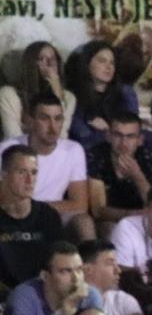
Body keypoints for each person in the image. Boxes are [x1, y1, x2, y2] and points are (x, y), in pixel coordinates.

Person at [0, 92, 93, 233]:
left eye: (58, 119)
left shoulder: (73, 150)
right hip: (15, 214)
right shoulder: (8, 148)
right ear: (30, 120)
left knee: (84, 222)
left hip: (53, 213)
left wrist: (37, 209)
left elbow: (79, 205)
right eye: (45, 118)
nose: (53, 126)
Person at [0, 146, 67, 289]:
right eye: (22, 172)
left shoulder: (48, 216)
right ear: (4, 175)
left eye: (34, 172)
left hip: (43, 293)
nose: (30, 180)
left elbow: (60, 262)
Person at [85, 109, 152, 230]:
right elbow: (98, 210)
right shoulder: (96, 155)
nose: (124, 142)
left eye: (130, 136)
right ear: (108, 136)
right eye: (118, 135)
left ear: (140, 140)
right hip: (109, 222)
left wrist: (138, 176)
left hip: (144, 219)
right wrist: (131, 215)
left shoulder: (147, 156)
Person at [64, 40, 137, 147]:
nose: (109, 67)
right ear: (87, 63)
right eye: (102, 61)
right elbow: (83, 137)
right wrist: (113, 134)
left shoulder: (125, 93)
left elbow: (133, 133)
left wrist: (107, 130)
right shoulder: (74, 96)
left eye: (112, 63)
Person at [0, 41, 77, 139]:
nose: (49, 64)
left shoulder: (69, 97)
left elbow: (61, 135)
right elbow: (12, 136)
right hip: (20, 151)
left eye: (53, 59)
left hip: (53, 151)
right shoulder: (9, 94)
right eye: (41, 59)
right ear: (30, 64)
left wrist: (58, 94)